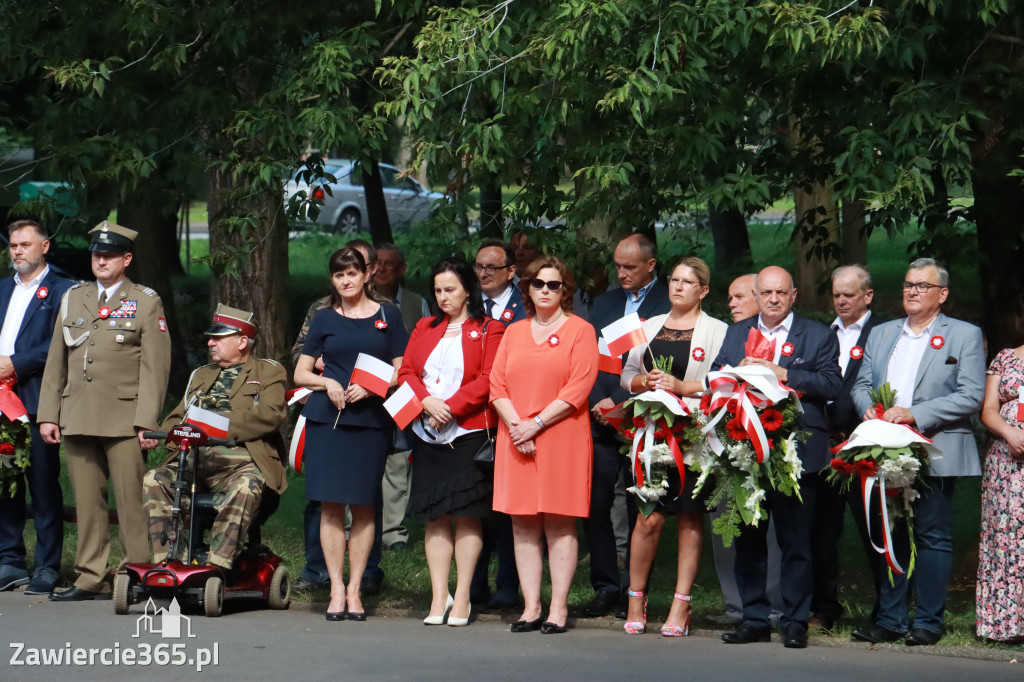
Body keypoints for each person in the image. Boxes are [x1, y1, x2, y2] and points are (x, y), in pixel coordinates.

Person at [851, 258, 985, 646]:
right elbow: (861, 383)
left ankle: (928, 621)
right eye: (908, 284)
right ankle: (890, 620)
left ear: (941, 295)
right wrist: (868, 407)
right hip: (884, 447)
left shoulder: (964, 334)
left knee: (932, 535)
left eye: (922, 286)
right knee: (891, 534)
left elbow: (971, 394)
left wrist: (915, 414)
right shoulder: (882, 333)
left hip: (936, 448)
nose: (912, 291)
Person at [38, 221, 172, 601]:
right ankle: (89, 576)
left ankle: (135, 573)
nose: (101, 260)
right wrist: (49, 414)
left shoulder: (146, 301)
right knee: (87, 501)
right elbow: (56, 362)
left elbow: (155, 367)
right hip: (77, 414)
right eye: (97, 254)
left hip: (124, 419)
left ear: (126, 259)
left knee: (131, 500)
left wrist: (147, 421)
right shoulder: (73, 297)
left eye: (110, 255)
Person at [712, 265, 841, 649]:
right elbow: (717, 377)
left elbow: (832, 384)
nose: (773, 299)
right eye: (766, 293)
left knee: (796, 541)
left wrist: (784, 373)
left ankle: (795, 621)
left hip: (796, 451)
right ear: (757, 294)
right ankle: (753, 617)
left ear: (793, 295)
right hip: (746, 449)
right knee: (749, 539)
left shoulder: (817, 334)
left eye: (780, 293)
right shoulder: (737, 333)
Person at [293, 247, 408, 621]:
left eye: (352, 274)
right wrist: (326, 382)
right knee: (329, 506)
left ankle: (356, 589)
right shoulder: (324, 317)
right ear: (333, 280)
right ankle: (336, 589)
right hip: (328, 420)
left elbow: (401, 369)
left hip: (370, 421)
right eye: (339, 275)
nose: (346, 280)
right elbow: (300, 373)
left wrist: (374, 386)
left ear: (366, 275)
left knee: (363, 505)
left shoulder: (388, 315)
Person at [490, 255, 599, 634]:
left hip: (560, 434)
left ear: (565, 291)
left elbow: (579, 388)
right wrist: (518, 426)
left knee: (558, 522)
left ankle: (558, 609)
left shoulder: (580, 330)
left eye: (555, 285)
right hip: (515, 436)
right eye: (539, 284)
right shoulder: (514, 332)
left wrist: (534, 424)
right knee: (522, 524)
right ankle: (531, 606)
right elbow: (496, 385)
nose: (547, 290)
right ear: (528, 288)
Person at [619, 257, 727, 636]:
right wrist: (644, 383)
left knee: (690, 519)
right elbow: (625, 375)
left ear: (704, 290)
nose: (678, 287)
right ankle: (636, 599)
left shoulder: (718, 331)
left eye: (687, 282)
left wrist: (683, 388)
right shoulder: (647, 327)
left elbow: (723, 380)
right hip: (651, 437)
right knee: (647, 519)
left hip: (695, 438)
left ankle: (681, 606)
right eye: (674, 280)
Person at [398, 258, 505, 627]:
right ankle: (438, 595)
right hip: (427, 432)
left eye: (451, 290)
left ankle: (463, 598)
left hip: (468, 433)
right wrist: (426, 401)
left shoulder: (490, 328)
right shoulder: (424, 326)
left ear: (467, 290)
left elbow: (490, 379)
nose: (443, 297)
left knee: (468, 517)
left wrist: (451, 407)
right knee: (435, 517)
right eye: (438, 291)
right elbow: (407, 371)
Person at [143, 305, 287, 568]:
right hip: (193, 464)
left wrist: (217, 426)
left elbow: (271, 414)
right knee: (155, 479)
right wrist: (179, 432)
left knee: (246, 485)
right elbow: (174, 420)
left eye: (218, 338)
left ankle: (217, 565)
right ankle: (168, 562)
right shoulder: (201, 374)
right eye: (211, 338)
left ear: (243, 341)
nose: (210, 343)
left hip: (241, 465)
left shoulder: (268, 371)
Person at [586, 234, 670, 617]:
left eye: (630, 267)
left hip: (644, 420)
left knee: (642, 509)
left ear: (650, 265)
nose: (621, 273)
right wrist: (599, 403)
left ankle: (635, 592)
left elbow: (664, 366)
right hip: (601, 418)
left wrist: (620, 403)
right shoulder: (603, 303)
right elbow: (590, 357)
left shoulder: (669, 303)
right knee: (595, 504)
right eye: (618, 265)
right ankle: (605, 586)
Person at [0, 220, 72, 595]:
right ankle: (11, 560)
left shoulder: (63, 291)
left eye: (25, 244)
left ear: (44, 247)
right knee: (6, 484)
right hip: (1, 409)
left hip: (35, 403)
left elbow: (65, 344)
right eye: (13, 245)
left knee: (43, 486)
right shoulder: (2, 290)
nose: (17, 251)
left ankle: (47, 564)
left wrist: (18, 362)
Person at [708, 273, 784, 626]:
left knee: (771, 530)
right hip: (732, 442)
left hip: (775, 444)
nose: (732, 304)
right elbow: (715, 377)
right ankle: (737, 606)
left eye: (739, 297)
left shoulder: (788, 335)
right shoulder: (733, 335)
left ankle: (775, 606)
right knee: (730, 524)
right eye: (730, 297)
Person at [817, 264, 884, 629]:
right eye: (837, 295)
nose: (841, 301)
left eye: (849, 295)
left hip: (865, 448)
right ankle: (825, 608)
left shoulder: (884, 333)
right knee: (822, 533)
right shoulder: (824, 333)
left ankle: (886, 608)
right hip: (826, 446)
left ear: (868, 296)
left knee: (876, 530)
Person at [471, 240, 523, 609]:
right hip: (474, 419)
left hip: (516, 416)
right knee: (476, 506)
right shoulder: (468, 305)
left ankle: (508, 584)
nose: (484, 274)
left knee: (509, 509)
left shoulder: (526, 307)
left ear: (511, 271)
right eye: (479, 267)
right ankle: (474, 585)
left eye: (492, 267)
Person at [374, 242, 430, 553]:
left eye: (388, 265)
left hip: (399, 393)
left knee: (397, 462)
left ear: (402, 269)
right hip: (361, 392)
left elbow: (426, 346)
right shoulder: (359, 299)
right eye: (377, 263)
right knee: (362, 461)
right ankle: (351, 528)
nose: (381, 269)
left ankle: (393, 532)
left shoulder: (415, 303)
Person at [977, 343, 1024, 642]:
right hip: (1006, 462)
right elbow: (989, 409)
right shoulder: (1006, 357)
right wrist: (1010, 432)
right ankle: (1004, 625)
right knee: (1006, 536)